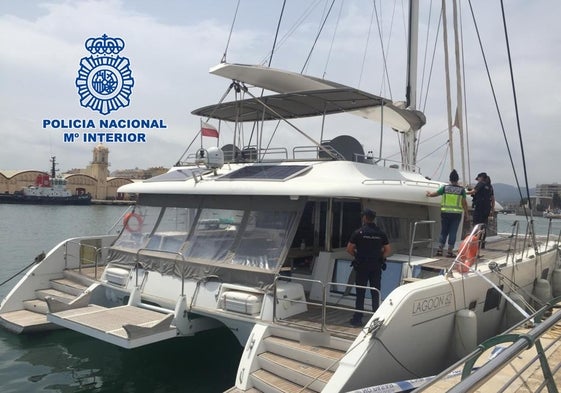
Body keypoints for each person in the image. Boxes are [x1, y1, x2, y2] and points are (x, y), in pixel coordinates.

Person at [346, 208, 391, 327]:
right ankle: (376, 319)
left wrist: (357, 256)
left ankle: (358, 319)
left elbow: (349, 249)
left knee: (360, 292)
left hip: (361, 266)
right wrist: (380, 257)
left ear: (365, 218)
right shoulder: (381, 233)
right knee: (375, 292)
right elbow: (387, 250)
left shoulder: (358, 232)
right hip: (376, 266)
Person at [426, 169, 469, 257]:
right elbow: (464, 203)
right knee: (453, 232)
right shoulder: (461, 190)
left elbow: (436, 194)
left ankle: (440, 250)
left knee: (444, 231)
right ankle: (449, 251)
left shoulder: (445, 188)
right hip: (456, 214)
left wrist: (429, 194)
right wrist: (467, 214)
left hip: (445, 213)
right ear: (457, 179)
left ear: (450, 179)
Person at [468, 172, 493, 248]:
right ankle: (482, 243)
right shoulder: (489, 187)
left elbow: (474, 191)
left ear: (481, 178)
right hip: (487, 208)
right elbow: (492, 198)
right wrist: (492, 209)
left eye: (478, 178)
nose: (478, 180)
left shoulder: (480, 184)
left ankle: (475, 242)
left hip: (479, 207)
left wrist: (464, 192)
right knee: (483, 226)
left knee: (476, 225)